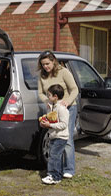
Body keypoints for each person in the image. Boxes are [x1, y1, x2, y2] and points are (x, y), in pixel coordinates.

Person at [37, 50, 78, 179]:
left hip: (68, 109)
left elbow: (74, 89)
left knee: (67, 138)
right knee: (54, 139)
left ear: (53, 61)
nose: (45, 67)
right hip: (53, 110)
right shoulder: (42, 76)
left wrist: (68, 101)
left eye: (47, 64)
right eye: (43, 64)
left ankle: (69, 169)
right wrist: (47, 101)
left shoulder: (64, 72)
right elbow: (40, 93)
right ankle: (56, 169)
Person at [40, 84, 69, 185]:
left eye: (49, 95)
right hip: (53, 136)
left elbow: (64, 124)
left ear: (55, 97)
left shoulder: (61, 109)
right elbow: (51, 119)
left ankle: (53, 176)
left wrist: (50, 125)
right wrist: (45, 123)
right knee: (55, 156)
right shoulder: (52, 107)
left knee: (54, 156)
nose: (48, 97)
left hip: (60, 137)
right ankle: (57, 175)